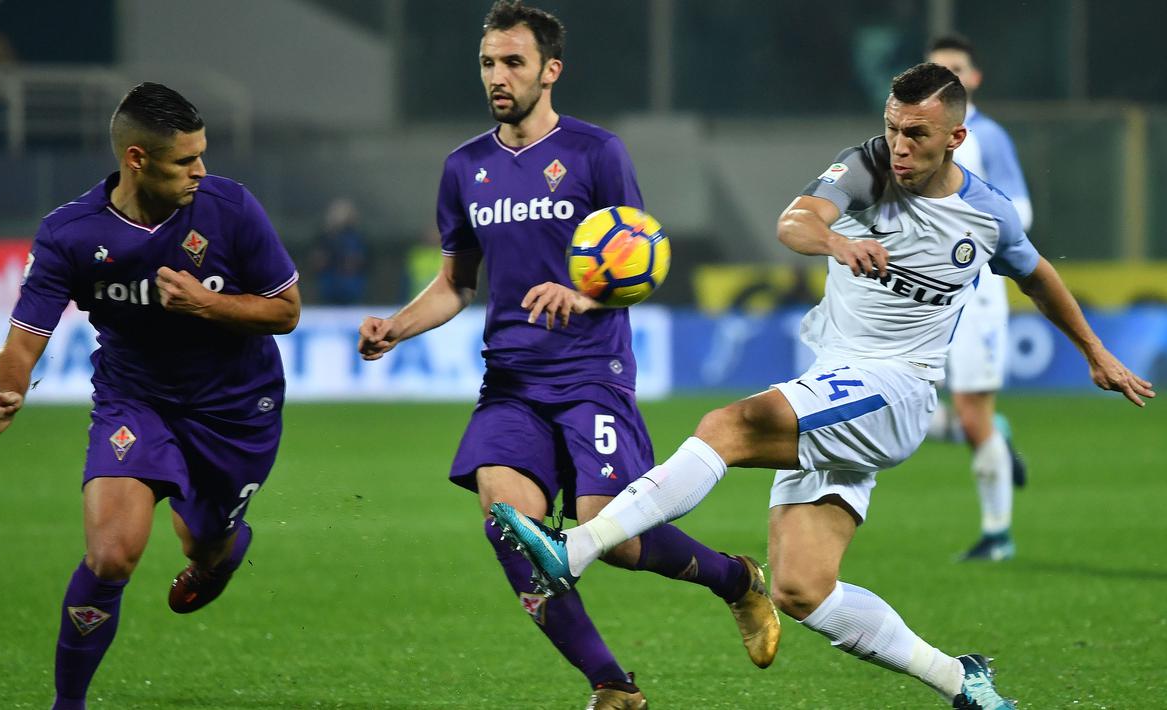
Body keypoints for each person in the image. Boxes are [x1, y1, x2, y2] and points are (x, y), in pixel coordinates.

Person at [492, 63, 1154, 709]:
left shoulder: (988, 214)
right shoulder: (866, 167)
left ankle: (574, 549)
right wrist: (837, 244)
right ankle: (962, 681)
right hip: (837, 382)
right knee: (801, 590)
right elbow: (796, 221)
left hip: (896, 388)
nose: (898, 145)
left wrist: (1095, 353)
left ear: (955, 137)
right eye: (892, 128)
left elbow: (1036, 275)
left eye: (916, 134)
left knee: (728, 426)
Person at [357, 2, 779, 707]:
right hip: (510, 382)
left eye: (513, 62)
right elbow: (457, 283)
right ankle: (612, 685)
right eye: (488, 62)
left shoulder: (595, 154)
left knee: (612, 538)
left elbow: (646, 260)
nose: (497, 76)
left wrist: (585, 296)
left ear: (550, 70)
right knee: (512, 530)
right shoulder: (464, 168)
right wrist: (397, 327)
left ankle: (736, 580)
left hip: (591, 374)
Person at [0, 82, 300, 710]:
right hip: (135, 400)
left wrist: (206, 304)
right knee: (112, 555)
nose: (201, 171)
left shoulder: (231, 208)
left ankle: (220, 555)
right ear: (137, 159)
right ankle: (68, 704)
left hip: (237, 407)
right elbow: (22, 340)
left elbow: (285, 310)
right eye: (185, 160)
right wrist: (8, 392)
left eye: (202, 154)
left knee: (203, 542)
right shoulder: (70, 234)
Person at [925, 35, 1031, 561]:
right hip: (923, 293)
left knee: (971, 413)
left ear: (974, 78)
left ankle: (997, 535)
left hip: (977, 292)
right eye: (938, 70)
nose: (949, 77)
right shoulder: (914, 137)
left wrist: (965, 235)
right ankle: (995, 433)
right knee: (909, 408)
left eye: (957, 69)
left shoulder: (987, 137)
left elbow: (1020, 212)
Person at [309, 197, 369, 304]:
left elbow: (359, 260)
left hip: (351, 285)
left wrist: (351, 263)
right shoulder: (324, 237)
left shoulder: (356, 237)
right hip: (329, 285)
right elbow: (318, 262)